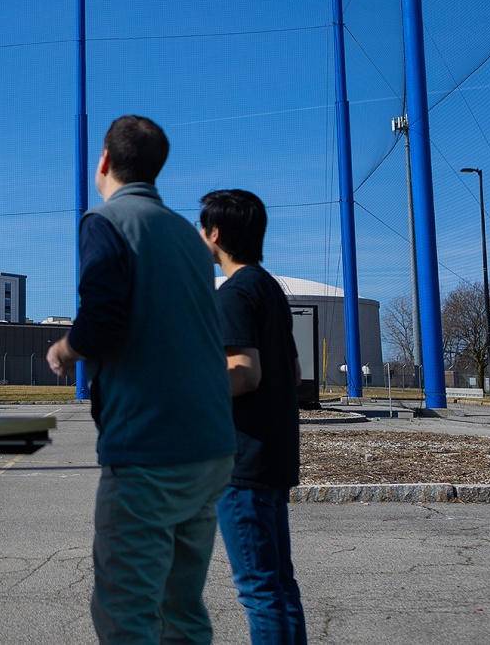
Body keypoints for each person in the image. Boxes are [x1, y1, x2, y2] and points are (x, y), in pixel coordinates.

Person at [46, 115, 234, 644]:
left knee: (127, 615)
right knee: (182, 611)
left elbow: (103, 316)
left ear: (104, 161)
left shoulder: (106, 221)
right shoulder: (189, 239)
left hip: (150, 450)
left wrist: (64, 350)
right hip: (211, 446)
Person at [197, 189, 307, 645]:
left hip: (243, 464)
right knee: (279, 584)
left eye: (201, 230)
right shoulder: (269, 288)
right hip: (274, 455)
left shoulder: (235, 293)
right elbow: (296, 371)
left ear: (216, 234)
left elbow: (243, 372)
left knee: (259, 589)